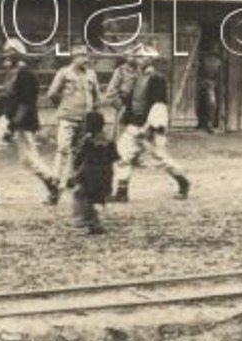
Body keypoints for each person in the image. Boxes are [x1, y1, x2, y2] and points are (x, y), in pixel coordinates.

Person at [0, 38, 63, 207]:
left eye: (10, 52)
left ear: (19, 54)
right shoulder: (13, 73)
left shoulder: (25, 75)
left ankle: (53, 184)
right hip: (8, 121)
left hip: (18, 123)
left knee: (28, 160)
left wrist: (12, 126)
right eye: (5, 52)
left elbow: (25, 104)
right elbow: (9, 99)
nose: (6, 55)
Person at [112, 45, 191, 202]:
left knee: (160, 158)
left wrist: (148, 127)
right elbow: (129, 101)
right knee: (123, 155)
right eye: (137, 57)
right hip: (134, 123)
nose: (138, 60)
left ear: (150, 59)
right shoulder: (135, 78)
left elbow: (158, 105)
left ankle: (183, 182)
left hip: (150, 127)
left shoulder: (157, 78)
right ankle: (121, 193)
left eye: (142, 57)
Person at [45, 48, 102, 198]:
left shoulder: (91, 74)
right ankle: (55, 183)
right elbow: (51, 93)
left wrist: (93, 112)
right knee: (63, 149)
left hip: (85, 118)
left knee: (78, 151)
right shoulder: (64, 72)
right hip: (68, 117)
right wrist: (64, 106)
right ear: (74, 57)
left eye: (86, 56)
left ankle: (71, 179)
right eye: (82, 56)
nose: (86, 59)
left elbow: (97, 96)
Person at [70, 110, 115, 235]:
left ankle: (86, 221)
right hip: (105, 175)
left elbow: (80, 159)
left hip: (89, 176)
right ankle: (98, 223)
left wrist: (75, 174)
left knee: (84, 198)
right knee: (99, 199)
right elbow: (114, 158)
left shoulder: (87, 142)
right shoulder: (109, 141)